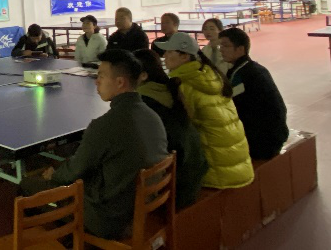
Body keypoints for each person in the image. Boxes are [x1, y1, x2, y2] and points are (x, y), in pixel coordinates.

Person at [22, 49, 168, 239]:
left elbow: (75, 170)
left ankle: (65, 239)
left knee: (28, 186)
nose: (96, 81)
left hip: (110, 218)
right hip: (142, 205)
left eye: (101, 76)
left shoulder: (105, 125)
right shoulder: (153, 116)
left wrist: (54, 175)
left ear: (120, 82)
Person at [154, 32, 254, 189]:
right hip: (239, 165)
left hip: (217, 173)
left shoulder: (183, 85)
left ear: (184, 56)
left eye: (169, 52)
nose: (164, 56)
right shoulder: (211, 75)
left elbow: (181, 131)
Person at [134, 49, 208, 209]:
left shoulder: (143, 103)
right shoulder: (170, 91)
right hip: (192, 180)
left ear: (143, 76)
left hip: (175, 192)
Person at [219, 27, 289, 159]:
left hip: (263, 143)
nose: (221, 50)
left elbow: (230, 107)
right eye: (220, 46)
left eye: (225, 46)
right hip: (273, 136)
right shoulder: (249, 67)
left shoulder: (243, 75)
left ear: (240, 49)